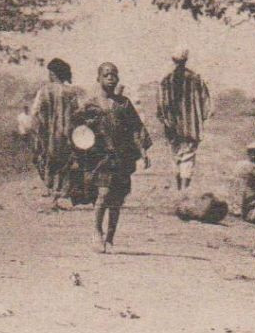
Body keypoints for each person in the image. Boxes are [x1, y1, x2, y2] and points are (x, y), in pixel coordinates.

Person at [74, 61, 152, 252]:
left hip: (121, 156)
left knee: (116, 199)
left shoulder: (123, 103)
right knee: (103, 194)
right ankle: (96, 233)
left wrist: (143, 151)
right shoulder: (90, 104)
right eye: (107, 75)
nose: (110, 78)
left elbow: (135, 129)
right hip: (100, 157)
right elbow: (77, 129)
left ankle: (110, 238)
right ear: (98, 78)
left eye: (114, 75)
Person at [27, 58, 85, 209]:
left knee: (47, 162)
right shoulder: (71, 92)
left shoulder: (45, 90)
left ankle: (52, 196)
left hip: (48, 136)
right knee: (65, 164)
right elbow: (77, 114)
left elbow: (35, 112)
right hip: (67, 135)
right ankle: (61, 194)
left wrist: (36, 132)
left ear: (52, 73)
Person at [157, 48, 210, 192]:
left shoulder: (166, 79)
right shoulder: (196, 78)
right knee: (188, 156)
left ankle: (180, 188)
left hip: (173, 126)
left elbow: (160, 106)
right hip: (191, 126)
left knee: (176, 156)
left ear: (173, 60)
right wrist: (200, 119)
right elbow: (206, 102)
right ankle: (184, 189)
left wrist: (165, 120)